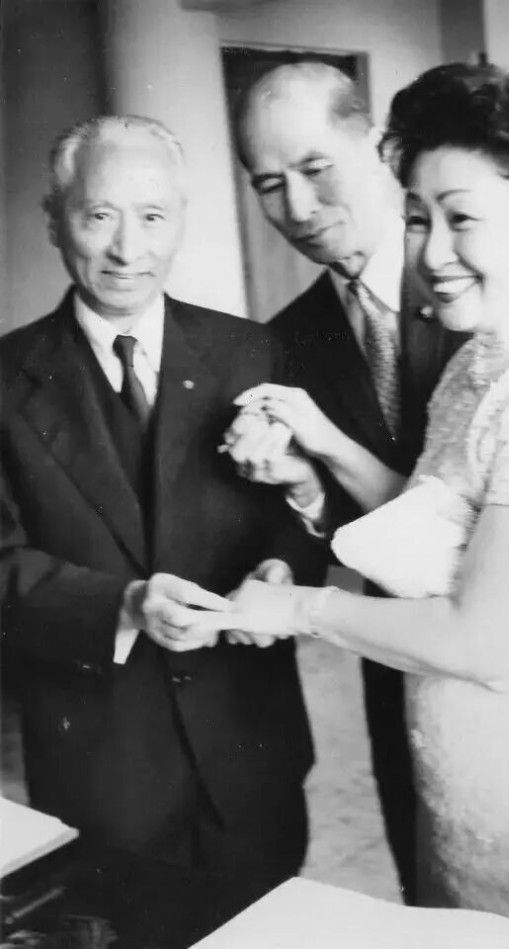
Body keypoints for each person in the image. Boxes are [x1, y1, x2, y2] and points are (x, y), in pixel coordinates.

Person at [216, 64, 509, 944]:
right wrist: (324, 442)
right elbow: (439, 528)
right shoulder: (481, 361)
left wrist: (300, 608)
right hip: (464, 792)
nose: (432, 251)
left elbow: (478, 636)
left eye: (462, 218)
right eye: (419, 217)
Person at [0, 115, 319, 904]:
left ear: (180, 221)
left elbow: (299, 511)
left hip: (250, 751)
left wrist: (284, 563)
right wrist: (126, 604)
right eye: (98, 215)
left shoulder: (254, 352)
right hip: (103, 768)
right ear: (55, 220)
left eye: (151, 217)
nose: (127, 249)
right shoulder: (4, 378)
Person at [235, 62, 468, 900]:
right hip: (392, 670)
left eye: (314, 168)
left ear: (376, 147)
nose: (297, 207)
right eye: (269, 185)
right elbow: (323, 530)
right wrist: (300, 487)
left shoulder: (473, 280)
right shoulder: (284, 338)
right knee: (426, 888)